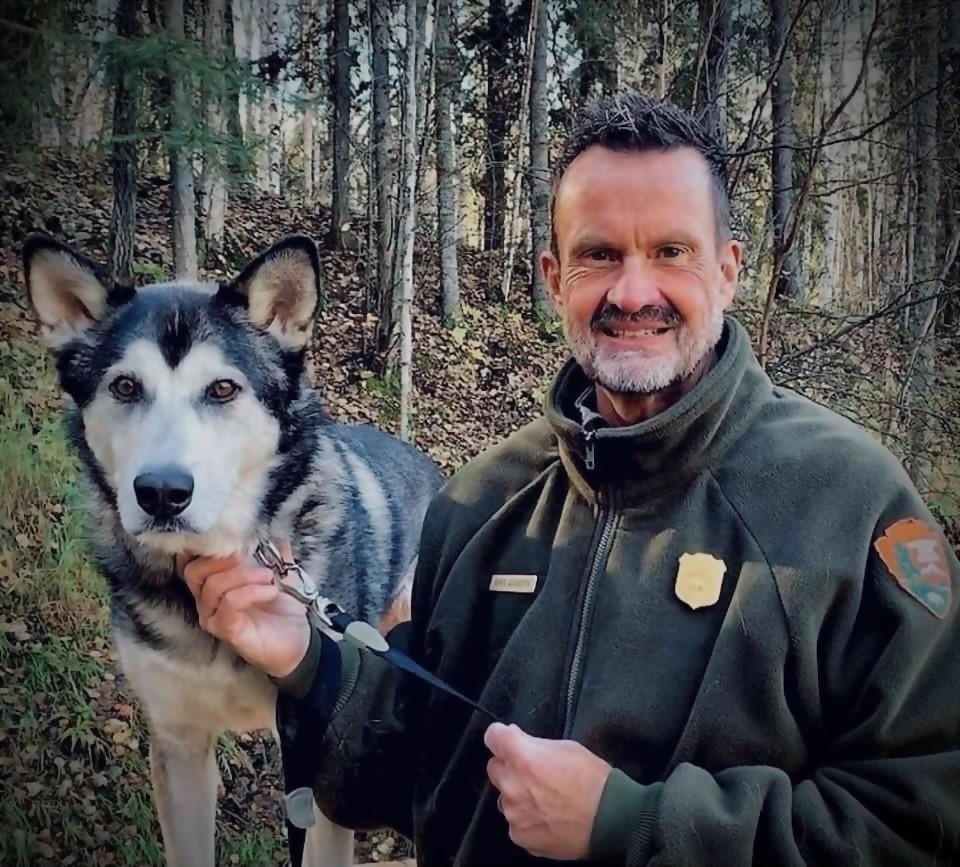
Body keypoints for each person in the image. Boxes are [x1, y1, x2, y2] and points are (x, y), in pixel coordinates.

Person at [180, 94, 960, 865]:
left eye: (671, 251)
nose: (631, 291)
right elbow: (404, 768)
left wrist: (633, 823)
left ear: (728, 270)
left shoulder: (849, 503)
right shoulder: (482, 500)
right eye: (599, 254)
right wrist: (307, 661)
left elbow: (921, 818)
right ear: (555, 278)